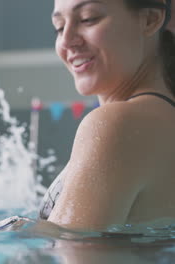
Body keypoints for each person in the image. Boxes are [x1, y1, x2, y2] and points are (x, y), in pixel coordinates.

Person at [37, 0, 175, 231]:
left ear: (150, 19)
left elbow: (67, 249)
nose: (67, 40)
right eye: (59, 27)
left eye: (88, 18)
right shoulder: (160, 118)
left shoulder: (118, 125)